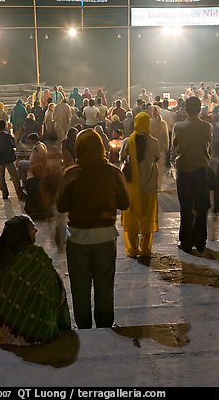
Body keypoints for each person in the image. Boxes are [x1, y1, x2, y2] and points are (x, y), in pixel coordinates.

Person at [56, 128, 130, 329]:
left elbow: (61, 205)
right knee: (105, 284)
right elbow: (125, 203)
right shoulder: (113, 172)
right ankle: (105, 325)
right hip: (106, 237)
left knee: (80, 286)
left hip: (78, 237)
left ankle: (84, 327)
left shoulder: (71, 174)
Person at [0, 214, 71, 345]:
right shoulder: (35, 256)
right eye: (32, 228)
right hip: (38, 333)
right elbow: (54, 289)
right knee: (56, 283)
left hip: (4, 333)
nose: (35, 231)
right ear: (22, 233)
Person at [172, 96, 213, 254]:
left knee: (186, 206)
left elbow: (175, 147)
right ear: (200, 108)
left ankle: (186, 242)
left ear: (185, 109)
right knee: (201, 206)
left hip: (184, 170)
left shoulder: (178, 127)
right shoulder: (207, 126)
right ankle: (201, 241)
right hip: (202, 169)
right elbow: (209, 146)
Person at [120, 112, 160, 258]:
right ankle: (145, 250)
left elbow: (121, 157)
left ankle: (132, 249)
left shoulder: (127, 141)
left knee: (132, 217)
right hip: (149, 186)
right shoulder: (154, 142)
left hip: (132, 187)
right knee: (147, 218)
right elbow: (157, 158)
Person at [0, 120, 26, 201]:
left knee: (1, 177)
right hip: (9, 158)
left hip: (0, 159)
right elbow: (14, 144)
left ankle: (4, 194)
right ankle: (20, 194)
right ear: (5, 126)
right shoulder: (8, 136)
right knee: (14, 177)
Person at [150, 105, 169, 191]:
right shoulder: (163, 123)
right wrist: (166, 148)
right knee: (160, 170)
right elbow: (166, 137)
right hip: (161, 149)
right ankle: (159, 187)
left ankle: (152, 185)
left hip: (151, 149)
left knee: (151, 169)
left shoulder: (149, 122)